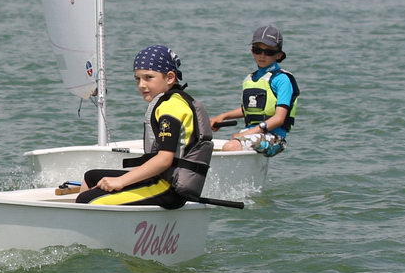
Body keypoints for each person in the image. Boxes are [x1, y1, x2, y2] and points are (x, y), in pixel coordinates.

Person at [76, 45, 212, 208]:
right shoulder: (174, 100)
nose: (141, 84)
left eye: (148, 77)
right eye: (138, 79)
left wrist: (121, 181)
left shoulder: (171, 107)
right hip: (163, 179)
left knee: (86, 200)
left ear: (170, 77)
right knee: (91, 177)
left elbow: (164, 160)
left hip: (169, 188)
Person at [210, 24, 300, 156]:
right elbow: (249, 108)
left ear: (279, 55)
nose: (262, 55)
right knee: (205, 146)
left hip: (274, 137)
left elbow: (279, 118)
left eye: (269, 52)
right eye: (257, 50)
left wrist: (248, 133)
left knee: (231, 146)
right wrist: (222, 116)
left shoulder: (282, 80)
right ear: (252, 51)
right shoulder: (250, 79)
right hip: (253, 134)